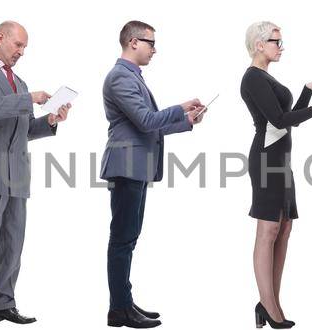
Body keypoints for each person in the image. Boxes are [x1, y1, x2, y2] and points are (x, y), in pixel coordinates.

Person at [0, 20, 70, 330]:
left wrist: (49, 120)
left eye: (25, 48)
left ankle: (3, 304)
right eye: (18, 45)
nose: (21, 52)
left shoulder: (19, 84)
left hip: (17, 173)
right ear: (0, 38)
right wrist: (29, 99)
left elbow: (23, 130)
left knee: (12, 241)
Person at [100, 20, 206, 329]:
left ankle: (123, 301)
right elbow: (147, 121)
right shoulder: (120, 77)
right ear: (133, 42)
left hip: (137, 168)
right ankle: (118, 309)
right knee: (122, 239)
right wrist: (180, 107)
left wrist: (186, 121)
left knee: (128, 239)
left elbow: (148, 126)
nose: (154, 49)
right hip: (126, 167)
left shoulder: (133, 77)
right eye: (150, 43)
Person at [239, 21, 312, 330]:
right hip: (266, 160)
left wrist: (306, 91)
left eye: (281, 42)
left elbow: (285, 121)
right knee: (267, 230)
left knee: (284, 228)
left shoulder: (266, 77)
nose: (281, 47)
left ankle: (271, 302)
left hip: (281, 160)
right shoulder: (253, 78)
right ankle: (269, 306)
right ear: (258, 45)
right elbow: (279, 120)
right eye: (276, 41)